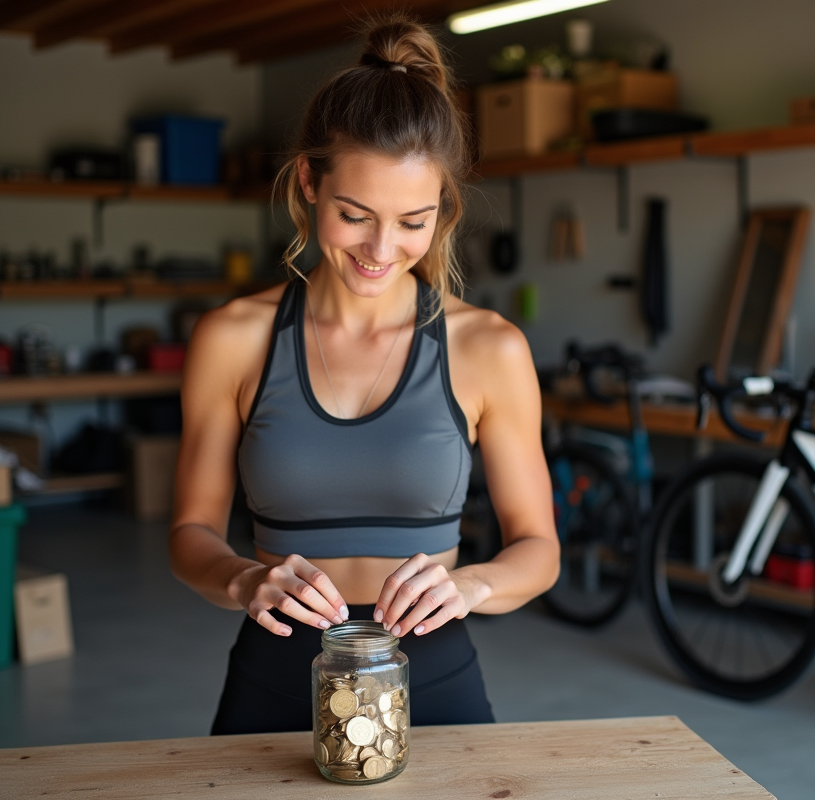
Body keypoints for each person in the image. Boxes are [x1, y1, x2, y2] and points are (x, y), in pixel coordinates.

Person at [169, 15, 559, 736]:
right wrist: (243, 577)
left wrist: (470, 583)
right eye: (356, 215)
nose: (383, 249)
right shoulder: (233, 338)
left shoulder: (489, 349)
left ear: (443, 210)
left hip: (431, 674)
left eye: (414, 221)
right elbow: (190, 530)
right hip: (275, 675)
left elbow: (538, 549)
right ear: (310, 182)